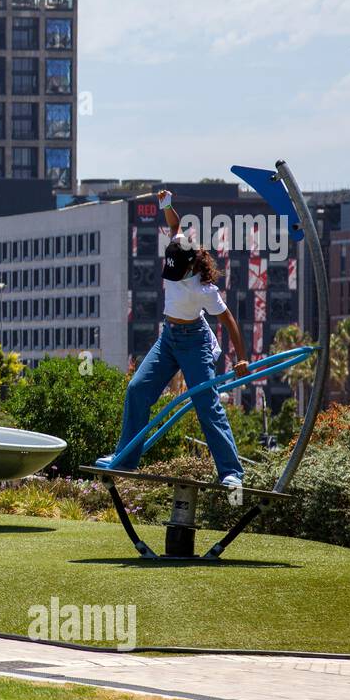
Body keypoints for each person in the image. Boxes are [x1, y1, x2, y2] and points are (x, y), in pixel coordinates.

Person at [94, 189, 249, 488]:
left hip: (196, 343)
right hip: (169, 339)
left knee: (206, 403)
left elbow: (228, 319)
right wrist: (166, 204)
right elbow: (175, 225)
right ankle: (125, 460)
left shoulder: (204, 290)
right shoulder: (179, 246)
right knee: (137, 389)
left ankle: (231, 472)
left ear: (191, 266)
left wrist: (241, 357)